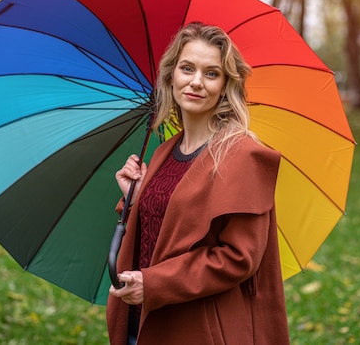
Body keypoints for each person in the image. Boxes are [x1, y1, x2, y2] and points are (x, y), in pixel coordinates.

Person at [107, 22, 290, 345]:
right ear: (171, 75)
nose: (195, 82)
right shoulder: (166, 151)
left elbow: (237, 257)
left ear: (225, 85)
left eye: (211, 73)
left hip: (197, 329)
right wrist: (136, 200)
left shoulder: (242, 156)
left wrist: (154, 284)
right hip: (144, 323)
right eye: (187, 68)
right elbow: (172, 226)